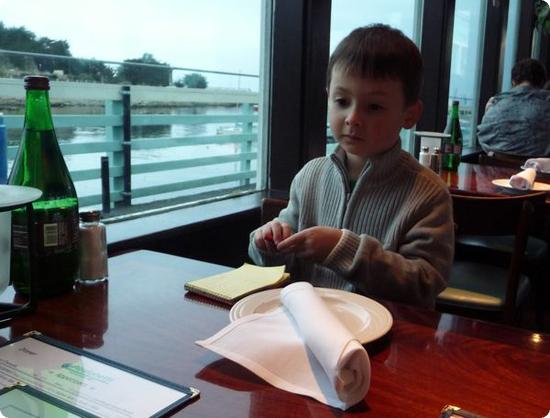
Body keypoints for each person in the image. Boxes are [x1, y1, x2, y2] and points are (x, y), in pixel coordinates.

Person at [248, 24, 454, 308]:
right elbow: (283, 260)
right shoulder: (311, 175)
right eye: (342, 101)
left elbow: (425, 282)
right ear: (328, 97)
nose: (353, 118)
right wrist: (269, 242)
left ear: (409, 114)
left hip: (391, 337)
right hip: (310, 324)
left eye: (374, 107)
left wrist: (342, 249)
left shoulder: (428, 193)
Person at [477, 58, 550, 157]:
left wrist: (486, 113)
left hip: (496, 169)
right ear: (542, 83)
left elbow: (484, 141)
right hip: (537, 171)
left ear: (513, 82)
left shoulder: (494, 105)